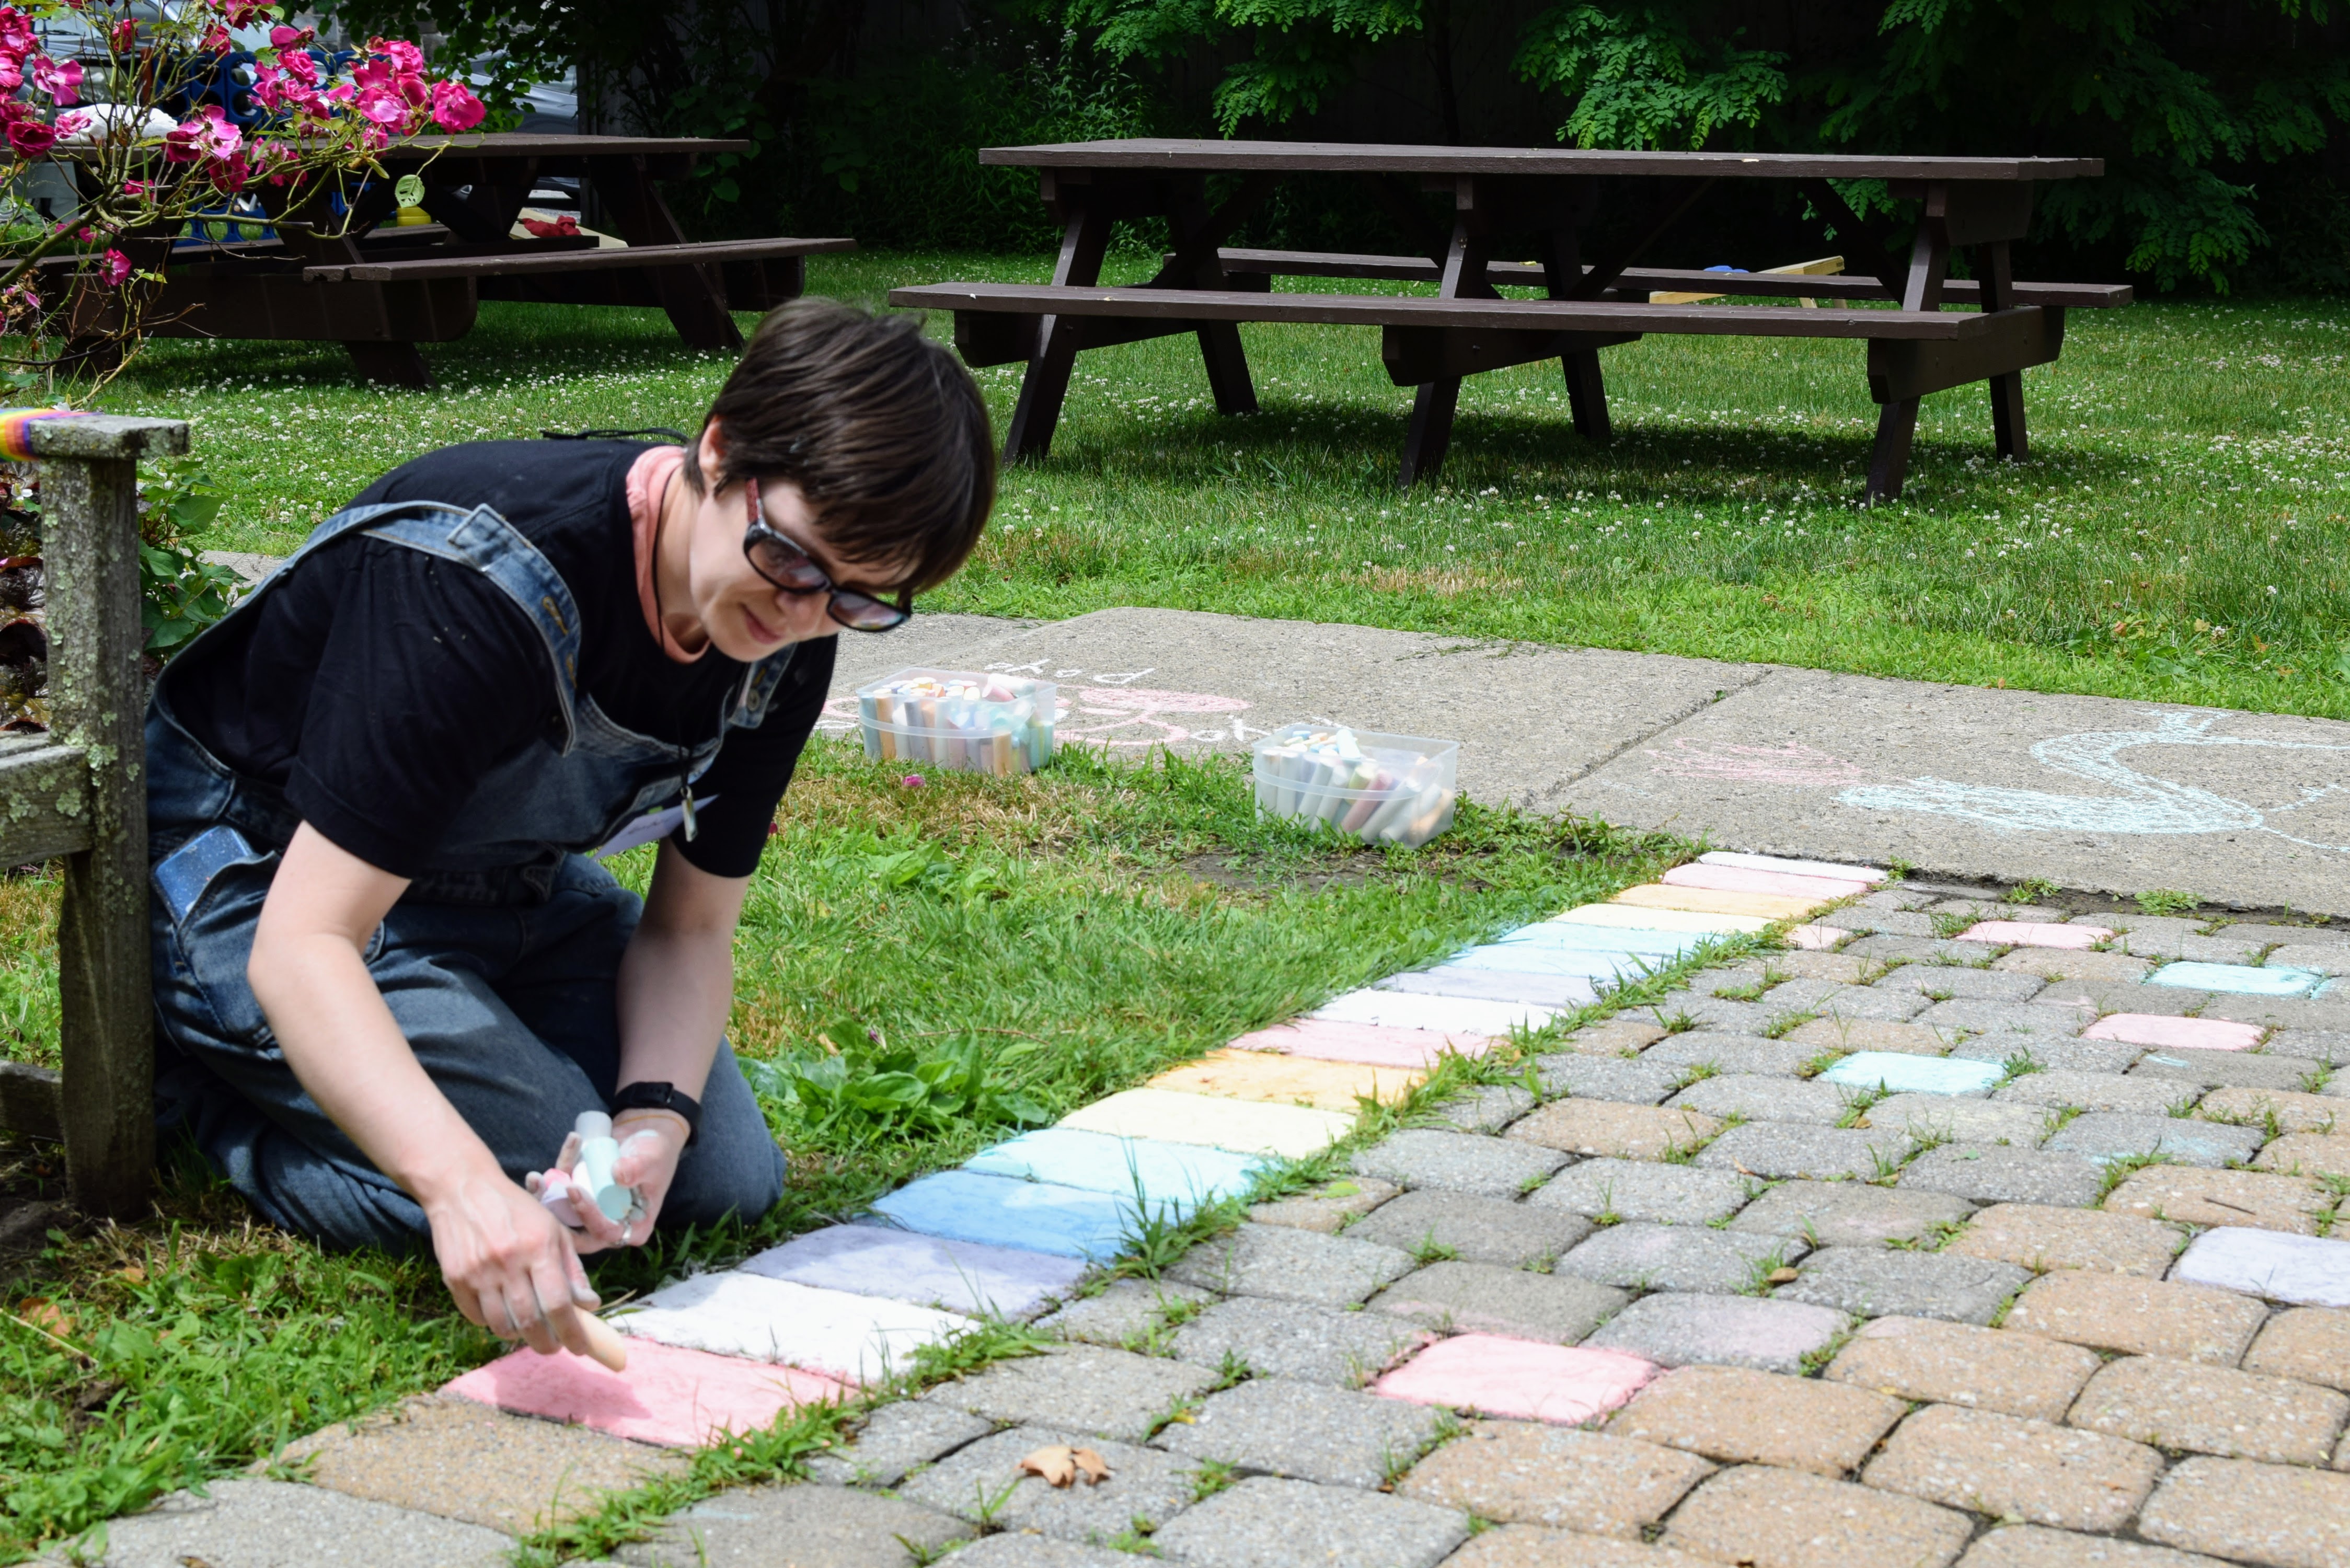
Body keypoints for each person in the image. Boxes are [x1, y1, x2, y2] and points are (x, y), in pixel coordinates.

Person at [145, 299, 994, 1361]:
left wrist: (654, 1124)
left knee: (716, 1181)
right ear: (719, 447)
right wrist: (456, 1188)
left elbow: (689, 929)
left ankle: (430, 1097)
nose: (804, 615)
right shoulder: (476, 582)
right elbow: (305, 940)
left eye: (861, 599)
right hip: (258, 884)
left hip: (496, 884)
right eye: (790, 560)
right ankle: (199, 1106)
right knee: (518, 1188)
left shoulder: (790, 627)